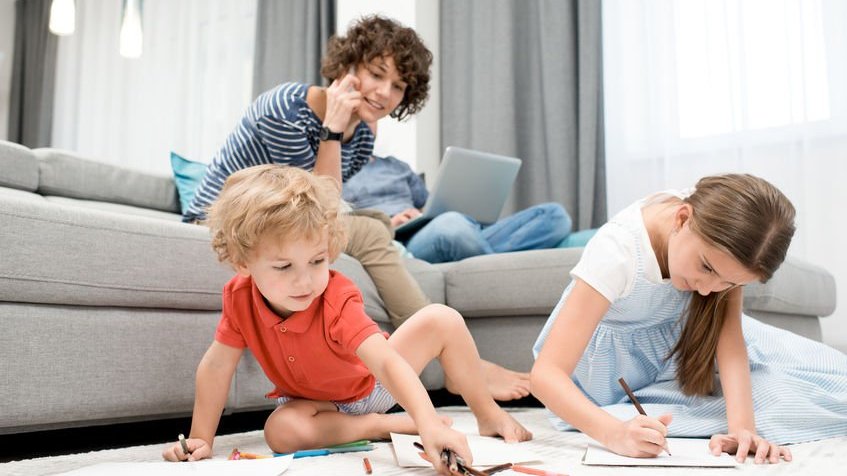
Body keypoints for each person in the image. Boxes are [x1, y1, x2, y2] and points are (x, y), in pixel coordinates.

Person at [180, 15, 529, 400]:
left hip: (287, 219)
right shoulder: (284, 110)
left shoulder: (362, 134)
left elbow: (323, 209)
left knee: (375, 222)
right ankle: (457, 364)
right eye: (376, 74)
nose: (383, 93)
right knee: (371, 230)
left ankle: (448, 353)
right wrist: (331, 129)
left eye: (397, 86)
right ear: (348, 66)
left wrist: (345, 130)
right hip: (227, 222)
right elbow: (309, 211)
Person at [162, 166, 532, 472]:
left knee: (442, 318)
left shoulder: (336, 298)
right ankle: (382, 427)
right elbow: (215, 367)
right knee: (279, 432)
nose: (305, 281)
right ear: (244, 263)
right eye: (284, 266)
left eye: (317, 261)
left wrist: (429, 423)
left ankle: (487, 412)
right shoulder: (238, 296)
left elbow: (386, 362)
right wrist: (201, 439)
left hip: (372, 385)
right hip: (312, 404)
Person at [530, 174, 847, 464]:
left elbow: (729, 336)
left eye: (729, 283)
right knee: (779, 399)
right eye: (707, 268)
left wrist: (742, 430)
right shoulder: (618, 251)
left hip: (679, 339)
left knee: (837, 378)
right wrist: (615, 434)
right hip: (611, 377)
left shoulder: (722, 244)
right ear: (682, 219)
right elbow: (546, 375)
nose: (709, 290)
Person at [343, 155, 573, 263]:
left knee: (554, 215)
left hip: (434, 227)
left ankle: (475, 248)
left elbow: (429, 207)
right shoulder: (336, 166)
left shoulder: (396, 166)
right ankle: (494, 269)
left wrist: (422, 213)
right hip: (398, 239)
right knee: (451, 227)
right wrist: (389, 224)